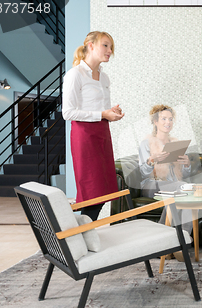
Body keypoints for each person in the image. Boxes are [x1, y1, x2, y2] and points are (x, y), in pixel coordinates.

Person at [62, 31, 124, 221]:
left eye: (111, 47)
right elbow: (68, 113)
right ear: (90, 45)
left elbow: (102, 109)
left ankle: (84, 231)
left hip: (102, 133)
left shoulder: (104, 78)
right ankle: (82, 233)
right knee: (92, 191)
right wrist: (102, 114)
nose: (110, 50)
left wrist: (111, 112)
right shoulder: (75, 74)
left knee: (104, 190)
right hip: (85, 136)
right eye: (105, 45)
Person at [138, 105, 193, 235]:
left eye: (170, 119)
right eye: (163, 119)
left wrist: (186, 164)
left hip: (174, 185)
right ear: (155, 121)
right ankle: (178, 236)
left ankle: (175, 236)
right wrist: (152, 160)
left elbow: (183, 175)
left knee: (183, 192)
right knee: (183, 188)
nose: (168, 122)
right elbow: (142, 173)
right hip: (151, 184)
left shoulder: (175, 143)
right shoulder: (146, 143)